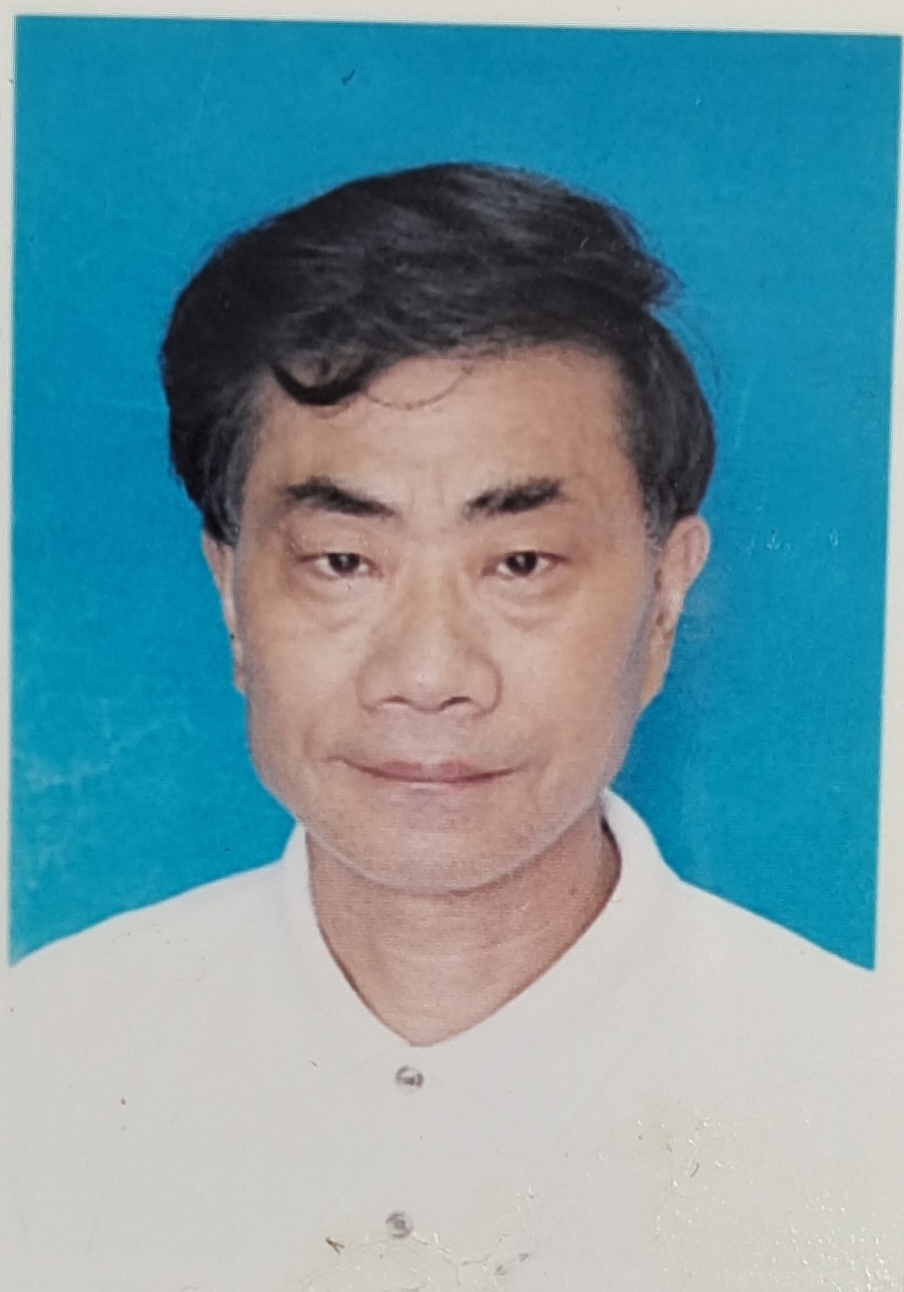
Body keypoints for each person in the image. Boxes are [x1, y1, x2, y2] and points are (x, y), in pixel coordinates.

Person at [2, 163, 900, 1291]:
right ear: (230, 594)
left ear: (666, 598)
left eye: (519, 562)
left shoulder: (862, 1097)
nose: (428, 676)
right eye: (343, 560)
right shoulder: (44, 1062)